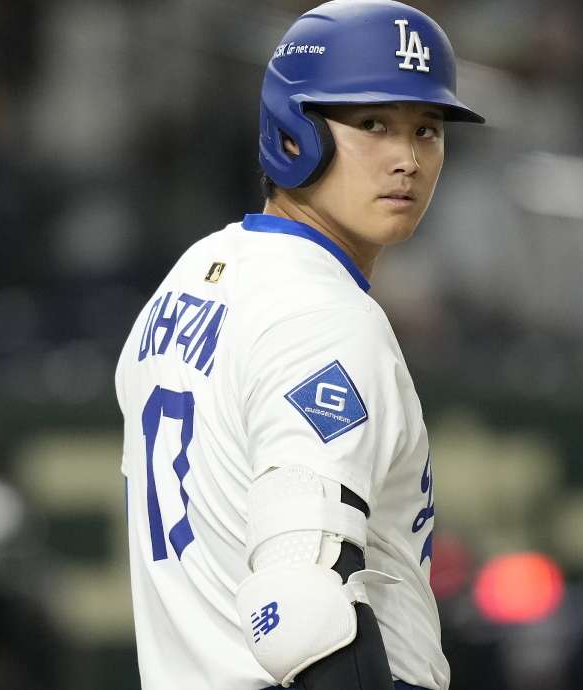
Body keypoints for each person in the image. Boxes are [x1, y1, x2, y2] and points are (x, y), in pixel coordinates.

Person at [112, 1, 483, 688]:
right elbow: (301, 607)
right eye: (373, 123)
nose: (406, 159)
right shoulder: (326, 316)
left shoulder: (194, 275)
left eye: (426, 129)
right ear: (294, 129)